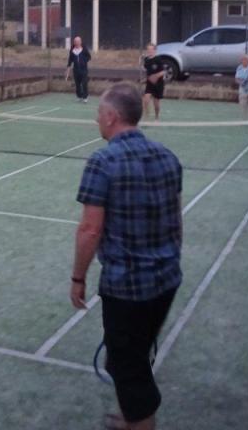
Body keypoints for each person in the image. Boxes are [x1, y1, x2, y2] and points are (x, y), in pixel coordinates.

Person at [70, 84, 182, 430]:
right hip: (166, 281)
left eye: (99, 114)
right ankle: (128, 417)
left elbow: (90, 230)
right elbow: (176, 222)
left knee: (131, 372)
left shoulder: (102, 161)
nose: (96, 120)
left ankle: (138, 420)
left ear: (111, 117)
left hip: (127, 289)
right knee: (129, 358)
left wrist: (77, 278)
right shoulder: (167, 157)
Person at [140, 43, 166, 120]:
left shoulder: (158, 59)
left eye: (151, 49)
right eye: (148, 49)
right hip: (149, 83)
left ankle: (157, 117)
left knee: (156, 103)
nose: (150, 51)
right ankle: (146, 115)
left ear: (155, 50)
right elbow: (147, 71)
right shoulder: (146, 59)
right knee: (145, 100)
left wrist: (155, 76)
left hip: (158, 84)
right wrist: (145, 79)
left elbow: (163, 72)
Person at [65, 36, 92, 103]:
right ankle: (79, 96)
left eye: (78, 41)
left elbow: (89, 57)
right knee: (77, 84)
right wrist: (68, 68)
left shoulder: (84, 49)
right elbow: (70, 60)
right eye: (75, 42)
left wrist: (84, 61)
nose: (76, 43)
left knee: (84, 83)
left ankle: (85, 97)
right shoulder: (72, 50)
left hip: (84, 70)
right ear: (74, 42)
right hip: (76, 70)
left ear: (80, 42)